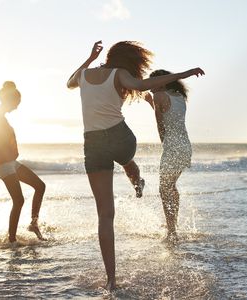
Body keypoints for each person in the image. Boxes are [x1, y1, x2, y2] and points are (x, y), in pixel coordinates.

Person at [67, 40, 204, 291]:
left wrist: (88, 58)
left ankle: (111, 280)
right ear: (130, 61)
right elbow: (142, 86)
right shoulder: (120, 75)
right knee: (126, 160)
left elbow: (69, 83)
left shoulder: (84, 74)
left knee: (105, 216)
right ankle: (136, 178)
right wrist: (185, 74)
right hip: (121, 139)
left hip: (93, 144)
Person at [0, 81, 46, 243]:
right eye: (16, 103)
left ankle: (33, 224)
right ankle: (12, 240)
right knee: (19, 200)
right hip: (2, 164)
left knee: (40, 186)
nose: (17, 107)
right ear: (9, 100)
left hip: (10, 163)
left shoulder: (1, 116)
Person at [145, 69, 196, 244]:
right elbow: (168, 114)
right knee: (170, 186)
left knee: (164, 188)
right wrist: (150, 103)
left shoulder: (158, 96)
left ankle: (172, 231)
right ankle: (172, 226)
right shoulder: (179, 97)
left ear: (163, 82)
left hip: (173, 148)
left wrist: (164, 145)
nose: (149, 86)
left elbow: (161, 125)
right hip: (185, 146)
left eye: (152, 82)